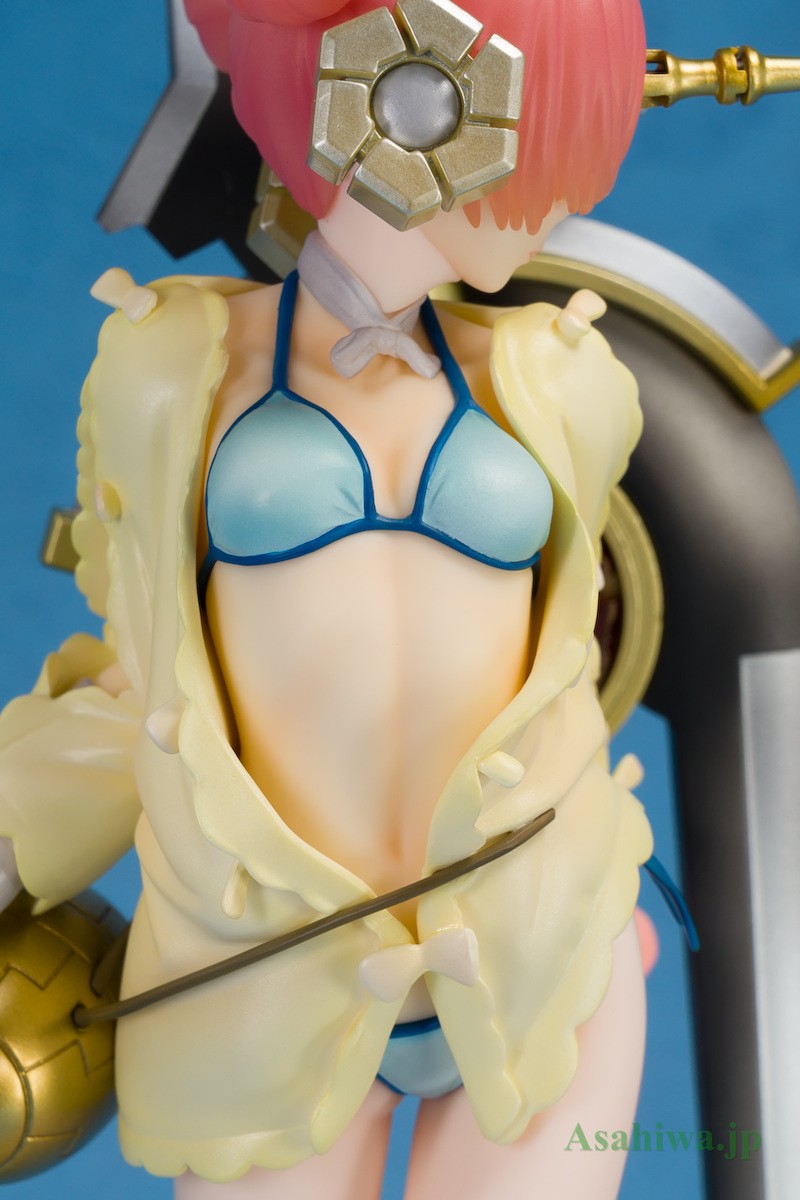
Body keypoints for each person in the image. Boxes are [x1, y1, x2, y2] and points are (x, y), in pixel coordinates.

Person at [0, 1, 654, 1196]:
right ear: (403, 104)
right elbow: (146, 679)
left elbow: (568, 652)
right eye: (546, 135)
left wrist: (602, 883)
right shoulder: (175, 376)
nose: (565, 194)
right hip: (261, 980)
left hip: (541, 954)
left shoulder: (560, 381)